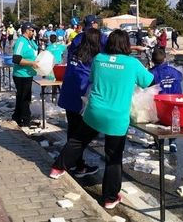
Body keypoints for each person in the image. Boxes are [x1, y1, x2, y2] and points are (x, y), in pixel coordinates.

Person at [50, 30, 154, 210]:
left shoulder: (98, 59)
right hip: (116, 117)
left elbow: (91, 79)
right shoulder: (132, 63)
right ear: (126, 45)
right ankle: (110, 197)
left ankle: (57, 168)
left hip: (94, 112)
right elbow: (148, 82)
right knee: (113, 157)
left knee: (78, 140)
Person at [57, 28, 102, 178]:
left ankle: (74, 163)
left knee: (72, 129)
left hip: (69, 92)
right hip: (81, 96)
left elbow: (75, 41)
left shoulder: (73, 51)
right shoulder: (94, 58)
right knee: (81, 134)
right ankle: (78, 166)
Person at [149, 47, 182, 152]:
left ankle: (158, 143)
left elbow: (147, 84)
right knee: (174, 122)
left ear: (152, 60)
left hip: (160, 102)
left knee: (158, 122)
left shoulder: (152, 72)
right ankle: (173, 142)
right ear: (165, 58)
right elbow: (180, 77)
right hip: (175, 100)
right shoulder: (175, 71)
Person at [11, 22, 40, 127]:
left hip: (28, 74)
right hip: (21, 74)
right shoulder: (21, 42)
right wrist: (31, 63)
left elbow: (36, 50)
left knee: (21, 97)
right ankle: (26, 120)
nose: (34, 32)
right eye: (32, 30)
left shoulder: (30, 41)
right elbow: (16, 58)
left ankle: (17, 117)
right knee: (25, 98)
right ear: (27, 30)